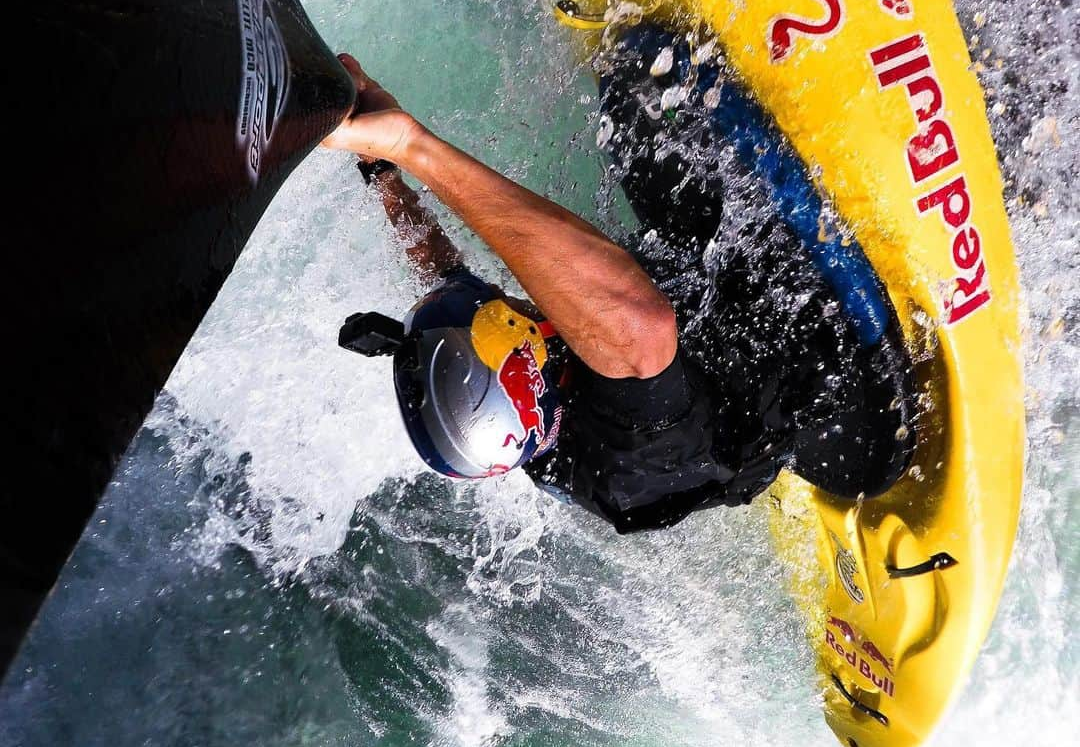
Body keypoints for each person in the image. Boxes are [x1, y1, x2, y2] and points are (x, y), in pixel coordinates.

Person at [324, 31, 916, 534]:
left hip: (718, 342)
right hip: (854, 395)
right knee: (668, 132)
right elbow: (642, 326)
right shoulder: (634, 449)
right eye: (503, 310)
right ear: (526, 367)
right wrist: (414, 146)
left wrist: (382, 170)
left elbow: (444, 272)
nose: (507, 296)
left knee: (630, 108)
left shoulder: (519, 410)